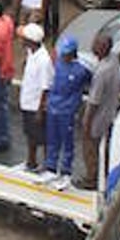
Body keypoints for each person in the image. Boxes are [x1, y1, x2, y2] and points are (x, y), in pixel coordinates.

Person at [43, 36, 92, 190]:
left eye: (66, 53)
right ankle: (51, 167)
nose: (63, 56)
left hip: (68, 112)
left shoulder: (81, 70)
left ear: (73, 53)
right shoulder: (56, 64)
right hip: (53, 109)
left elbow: (91, 83)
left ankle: (66, 172)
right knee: (52, 139)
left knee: (67, 143)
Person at [80, 34, 120, 190]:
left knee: (89, 145)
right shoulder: (113, 60)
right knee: (102, 145)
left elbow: (94, 102)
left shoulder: (102, 72)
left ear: (103, 48)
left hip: (99, 116)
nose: (93, 47)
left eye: (96, 45)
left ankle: (91, 179)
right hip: (110, 110)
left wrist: (87, 122)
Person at [16, 23, 52, 171]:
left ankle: (47, 165)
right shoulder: (32, 52)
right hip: (27, 102)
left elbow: (46, 87)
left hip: (35, 106)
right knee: (31, 135)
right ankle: (31, 162)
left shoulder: (44, 60)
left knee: (42, 137)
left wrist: (40, 110)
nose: (21, 40)